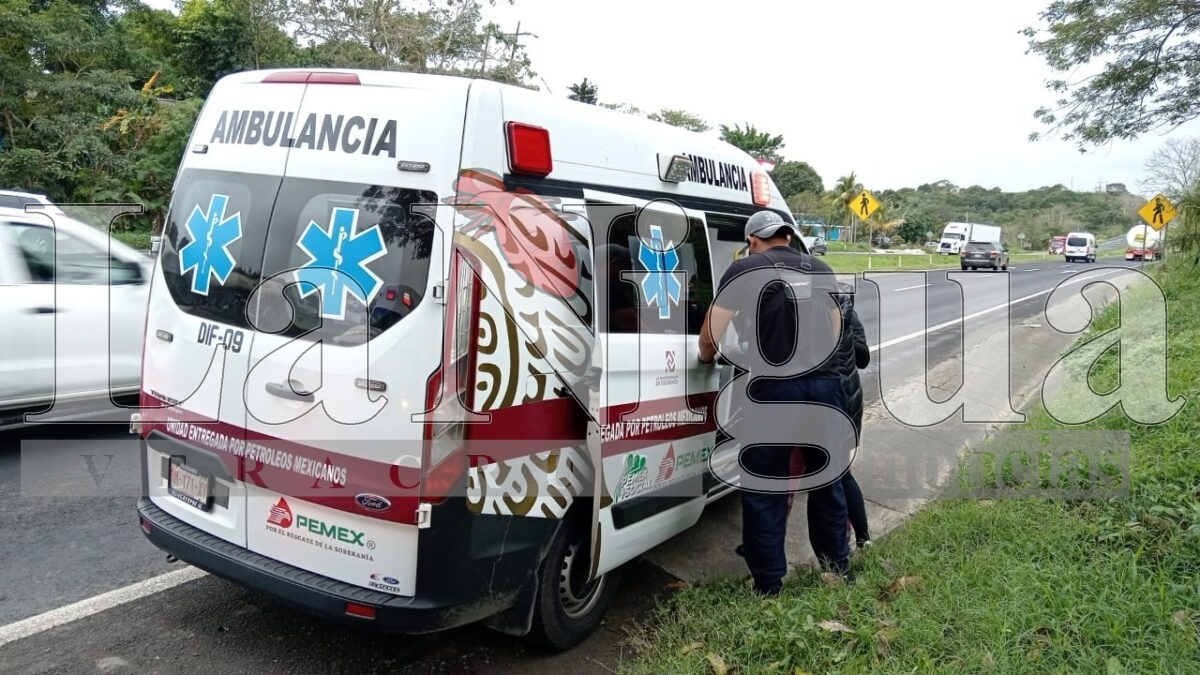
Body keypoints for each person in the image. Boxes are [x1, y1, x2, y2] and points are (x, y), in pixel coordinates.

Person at [698, 210, 857, 595]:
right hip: (825, 390)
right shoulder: (820, 266)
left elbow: (709, 338)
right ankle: (838, 570)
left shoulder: (745, 270)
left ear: (753, 240)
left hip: (775, 394)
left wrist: (707, 358)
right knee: (827, 482)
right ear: (787, 236)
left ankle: (768, 585)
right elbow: (836, 328)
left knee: (765, 487)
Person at [832, 283, 872, 551]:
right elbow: (863, 357)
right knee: (840, 474)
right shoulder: (846, 307)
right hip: (848, 400)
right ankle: (862, 538)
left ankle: (847, 542)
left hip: (832, 403)